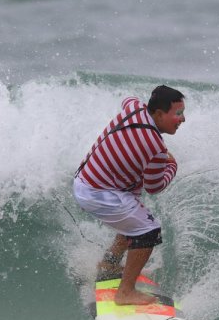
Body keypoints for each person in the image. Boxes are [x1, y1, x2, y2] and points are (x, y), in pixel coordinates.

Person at [73, 85, 186, 306]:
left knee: (134, 218)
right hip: (99, 193)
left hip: (85, 180)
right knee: (148, 231)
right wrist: (172, 164)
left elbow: (128, 98)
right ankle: (125, 292)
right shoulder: (155, 148)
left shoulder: (134, 108)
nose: (182, 119)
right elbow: (155, 186)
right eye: (178, 114)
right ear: (159, 114)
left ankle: (109, 264)